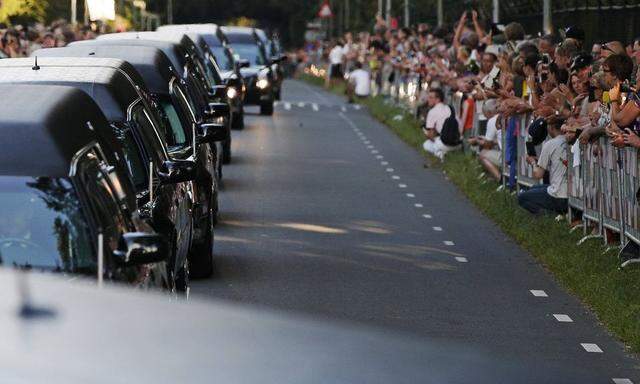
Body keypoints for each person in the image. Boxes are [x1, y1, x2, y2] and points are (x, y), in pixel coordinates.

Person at [517, 121, 568, 215]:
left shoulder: (550, 144)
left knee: (522, 197)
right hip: (573, 194)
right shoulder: (572, 141)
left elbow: (538, 175)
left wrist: (532, 162)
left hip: (557, 194)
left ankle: (551, 215)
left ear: (552, 127)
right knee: (534, 188)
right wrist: (539, 161)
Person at [422, 88, 459, 161]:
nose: (428, 99)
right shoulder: (449, 108)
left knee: (426, 144)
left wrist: (427, 134)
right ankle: (446, 153)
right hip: (457, 143)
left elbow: (430, 135)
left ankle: (440, 154)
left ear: (438, 99)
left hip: (443, 142)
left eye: (431, 97)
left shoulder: (432, 111)